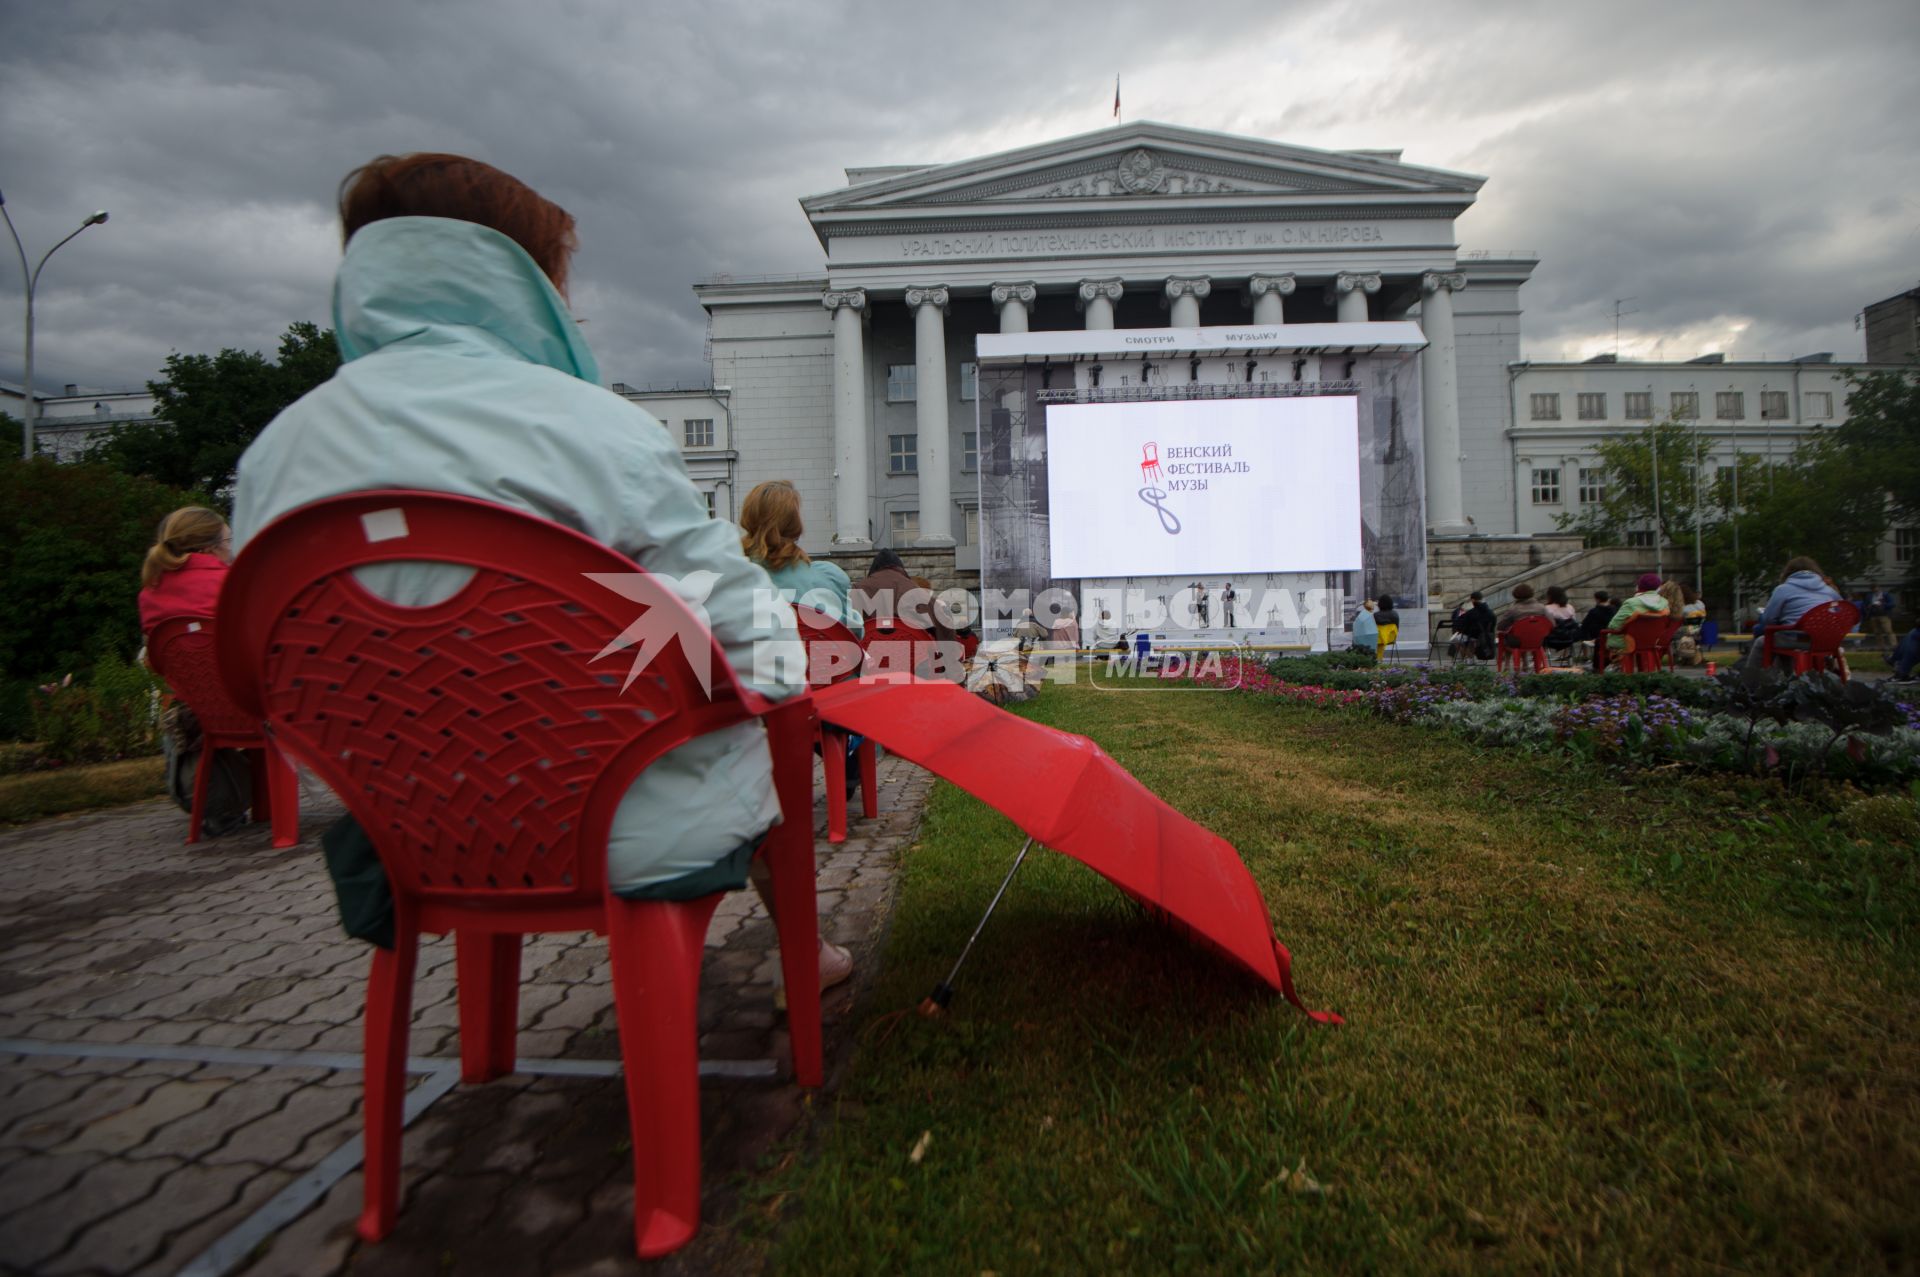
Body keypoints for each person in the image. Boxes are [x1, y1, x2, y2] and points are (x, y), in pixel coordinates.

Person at [231, 154, 849, 994]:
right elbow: (752, 642)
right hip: (612, 821)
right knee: (764, 717)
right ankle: (801, 961)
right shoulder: (594, 431)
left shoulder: (276, 454)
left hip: (407, 831)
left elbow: (270, 669)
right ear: (523, 280)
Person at [139, 507, 253, 838]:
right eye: (229, 540)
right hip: (255, 707)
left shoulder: (149, 593)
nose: (231, 548)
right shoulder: (233, 582)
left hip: (200, 712)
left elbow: (156, 661)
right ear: (209, 548)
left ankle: (223, 802)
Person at [739, 480, 862, 638]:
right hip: (819, 661)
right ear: (795, 525)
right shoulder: (828, 579)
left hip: (749, 662)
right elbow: (854, 633)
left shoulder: (727, 578)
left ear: (747, 519)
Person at [1747, 556, 1845, 669]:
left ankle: (1751, 682)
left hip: (1795, 638)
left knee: (1761, 642)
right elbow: (1841, 613)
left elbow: (1768, 619)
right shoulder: (1829, 591)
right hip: (1824, 641)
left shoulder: (1783, 589)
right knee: (1781, 639)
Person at [852, 549, 955, 641]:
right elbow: (946, 625)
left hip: (868, 657)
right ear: (899, 567)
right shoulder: (916, 591)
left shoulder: (857, 589)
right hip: (915, 659)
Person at [1598, 573, 1671, 670]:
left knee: (1602, 639)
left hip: (1629, 642)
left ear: (1640, 586)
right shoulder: (1664, 603)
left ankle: (1611, 669)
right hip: (1653, 641)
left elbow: (1613, 625)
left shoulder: (1631, 603)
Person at [1449, 591, 1495, 661]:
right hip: (1488, 636)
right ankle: (1467, 658)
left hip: (1474, 636)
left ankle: (1470, 657)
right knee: (1468, 638)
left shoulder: (1472, 612)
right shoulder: (1490, 612)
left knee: (1454, 639)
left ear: (1473, 600)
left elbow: (1462, 624)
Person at [1863, 587, 1896, 653]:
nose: (1875, 591)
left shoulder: (1885, 595)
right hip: (1874, 615)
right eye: (1873, 590)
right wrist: (1869, 607)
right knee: (1877, 632)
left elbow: (1892, 604)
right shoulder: (1870, 596)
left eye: (1876, 590)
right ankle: (1881, 646)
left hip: (1884, 615)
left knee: (1888, 631)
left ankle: (1894, 645)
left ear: (1880, 589)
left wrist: (1883, 605)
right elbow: (1865, 605)